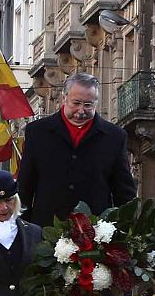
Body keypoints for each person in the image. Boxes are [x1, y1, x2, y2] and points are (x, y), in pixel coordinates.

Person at [17, 71, 136, 227]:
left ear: (96, 103)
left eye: (88, 105)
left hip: (96, 237)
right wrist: (23, 229)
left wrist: (123, 231)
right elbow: (25, 185)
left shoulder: (115, 137)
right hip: (46, 230)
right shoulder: (38, 132)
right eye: (76, 103)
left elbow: (124, 192)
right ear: (64, 98)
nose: (81, 111)